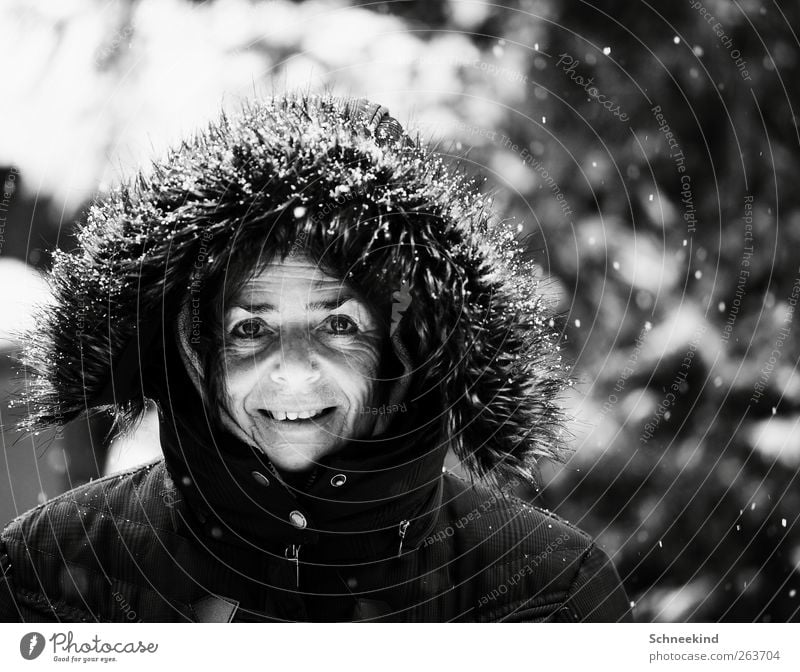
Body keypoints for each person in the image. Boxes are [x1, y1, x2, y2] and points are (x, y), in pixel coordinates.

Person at [0, 94, 632, 622]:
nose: (294, 370)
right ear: (195, 351)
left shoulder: (546, 591)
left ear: (399, 348)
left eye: (338, 324)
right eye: (251, 327)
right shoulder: (45, 571)